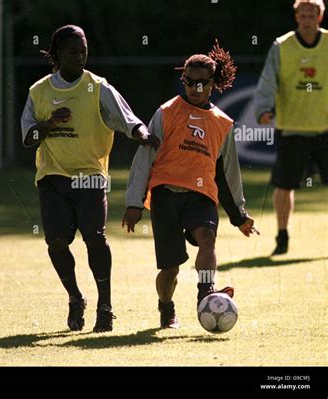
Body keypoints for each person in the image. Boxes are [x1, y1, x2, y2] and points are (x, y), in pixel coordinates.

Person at [21, 25, 159, 333]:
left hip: (91, 176)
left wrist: (142, 134)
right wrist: (48, 124)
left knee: (95, 238)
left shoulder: (98, 87)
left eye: (84, 50)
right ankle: (75, 297)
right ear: (57, 55)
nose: (80, 56)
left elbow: (128, 119)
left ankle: (105, 307)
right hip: (53, 176)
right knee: (56, 241)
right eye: (73, 51)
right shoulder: (39, 91)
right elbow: (28, 138)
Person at [122, 41, 257, 329]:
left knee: (207, 238)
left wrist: (239, 216)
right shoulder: (167, 112)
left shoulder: (223, 123)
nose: (195, 88)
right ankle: (166, 306)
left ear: (213, 84)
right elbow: (145, 157)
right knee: (170, 268)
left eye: (202, 83)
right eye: (189, 82)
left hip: (201, 195)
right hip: (165, 194)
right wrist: (135, 202)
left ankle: (205, 291)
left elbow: (227, 173)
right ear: (183, 81)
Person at [254, 0, 328, 255]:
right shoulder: (282, 46)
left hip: (325, 128)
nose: (307, 19)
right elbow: (267, 81)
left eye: (312, 14)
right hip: (292, 129)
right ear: (296, 17)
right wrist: (263, 110)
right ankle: (282, 235)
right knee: (284, 186)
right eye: (302, 14)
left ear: (320, 16)